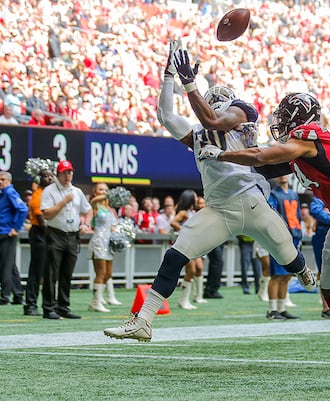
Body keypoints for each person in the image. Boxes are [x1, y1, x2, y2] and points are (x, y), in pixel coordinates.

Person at [104, 41, 315, 341]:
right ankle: (143, 320)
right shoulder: (200, 135)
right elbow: (165, 115)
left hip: (252, 202)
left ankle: (304, 271)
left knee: (287, 255)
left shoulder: (240, 112)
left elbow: (213, 120)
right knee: (176, 254)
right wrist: (168, 77)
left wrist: (188, 83)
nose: (215, 100)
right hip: (219, 209)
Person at [206, 92, 330, 368]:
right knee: (329, 290)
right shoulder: (302, 148)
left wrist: (223, 154)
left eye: (285, 116)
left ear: (299, 117)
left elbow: (261, 156)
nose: (281, 122)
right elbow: (262, 166)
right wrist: (223, 153)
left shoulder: (311, 137)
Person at [40, 160, 92, 319]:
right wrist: (63, 202)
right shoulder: (50, 191)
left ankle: (63, 306)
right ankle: (48, 307)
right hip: (55, 233)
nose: (68, 175)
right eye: (64, 172)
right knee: (51, 273)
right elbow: (47, 214)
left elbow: (88, 210)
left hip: (72, 235)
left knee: (66, 273)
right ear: (58, 174)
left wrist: (86, 224)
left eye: (70, 172)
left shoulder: (77, 191)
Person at [264, 175, 301, 320]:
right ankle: (272, 309)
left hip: (295, 235)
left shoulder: (293, 194)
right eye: (279, 174)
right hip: (279, 237)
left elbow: (297, 216)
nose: (282, 176)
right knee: (276, 275)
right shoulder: (273, 194)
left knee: (287, 275)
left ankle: (282, 307)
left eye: (284, 173)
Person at [24, 168, 54, 315]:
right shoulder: (38, 196)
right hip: (40, 233)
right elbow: (42, 221)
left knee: (46, 271)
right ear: (39, 179)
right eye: (45, 176)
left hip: (47, 234)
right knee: (36, 271)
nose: (49, 178)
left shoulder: (49, 195)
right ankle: (30, 305)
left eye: (51, 176)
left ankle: (45, 303)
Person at [87, 182, 119, 313]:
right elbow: (94, 200)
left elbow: (112, 227)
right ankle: (96, 302)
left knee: (108, 274)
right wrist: (110, 194)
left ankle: (97, 299)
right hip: (98, 242)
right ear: (95, 192)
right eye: (101, 190)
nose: (104, 192)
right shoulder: (95, 206)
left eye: (106, 190)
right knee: (100, 273)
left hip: (108, 243)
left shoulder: (109, 209)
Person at [170, 189, 204, 309]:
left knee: (195, 269)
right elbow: (173, 222)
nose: (196, 199)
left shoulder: (192, 212)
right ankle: (183, 300)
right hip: (185, 244)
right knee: (191, 271)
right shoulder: (184, 212)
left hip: (192, 244)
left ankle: (190, 298)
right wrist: (185, 232)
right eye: (194, 197)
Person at [0, 171, 28, 305]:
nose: (0, 181)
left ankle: (5, 296)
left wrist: (16, 228)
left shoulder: (9, 192)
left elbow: (23, 209)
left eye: (3, 179)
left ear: (9, 181)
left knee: (5, 265)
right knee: (10, 265)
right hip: (5, 231)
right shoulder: (4, 193)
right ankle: (18, 295)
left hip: (6, 233)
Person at [309, 196, 330, 318]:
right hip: (323, 234)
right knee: (324, 271)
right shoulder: (320, 195)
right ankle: (326, 307)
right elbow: (315, 210)